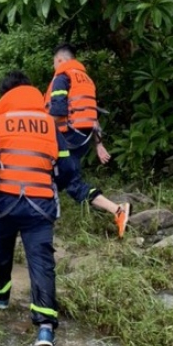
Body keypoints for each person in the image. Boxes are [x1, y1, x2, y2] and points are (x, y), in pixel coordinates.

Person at [0, 71, 84, 346]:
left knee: (0, 256)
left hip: (3, 206)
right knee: (41, 263)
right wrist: (76, 189)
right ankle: (45, 329)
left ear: (5, 96)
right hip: (40, 208)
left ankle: (0, 301)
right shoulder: (49, 127)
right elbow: (66, 169)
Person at [44, 43, 130, 238]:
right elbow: (91, 114)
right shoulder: (85, 80)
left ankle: (118, 210)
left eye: (53, 63)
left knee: (68, 181)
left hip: (68, 137)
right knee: (53, 176)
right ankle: (43, 219)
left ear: (59, 60)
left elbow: (57, 113)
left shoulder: (62, 77)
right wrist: (99, 144)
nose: (53, 68)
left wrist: (38, 129)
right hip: (83, 138)